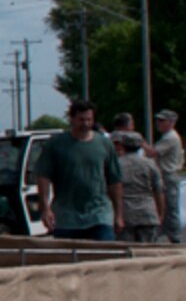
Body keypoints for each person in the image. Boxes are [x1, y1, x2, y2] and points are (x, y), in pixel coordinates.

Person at [32, 100, 125, 241]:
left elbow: (114, 180)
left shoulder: (104, 144)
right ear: (72, 119)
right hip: (67, 216)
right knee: (71, 259)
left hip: (99, 214)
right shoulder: (56, 144)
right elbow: (43, 176)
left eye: (89, 120)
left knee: (105, 256)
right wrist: (45, 209)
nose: (86, 124)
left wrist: (118, 214)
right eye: (81, 120)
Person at [113, 130, 165, 243]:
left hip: (126, 213)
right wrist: (160, 213)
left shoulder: (117, 164)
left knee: (126, 251)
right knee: (147, 252)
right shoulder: (150, 164)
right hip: (147, 212)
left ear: (123, 145)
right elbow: (159, 191)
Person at [154, 109, 186, 243]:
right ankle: (161, 232)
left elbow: (151, 152)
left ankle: (175, 238)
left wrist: (138, 142)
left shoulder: (170, 137)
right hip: (164, 175)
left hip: (168, 175)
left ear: (171, 122)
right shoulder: (166, 136)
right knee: (163, 206)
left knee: (171, 207)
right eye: (157, 120)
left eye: (162, 120)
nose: (158, 123)